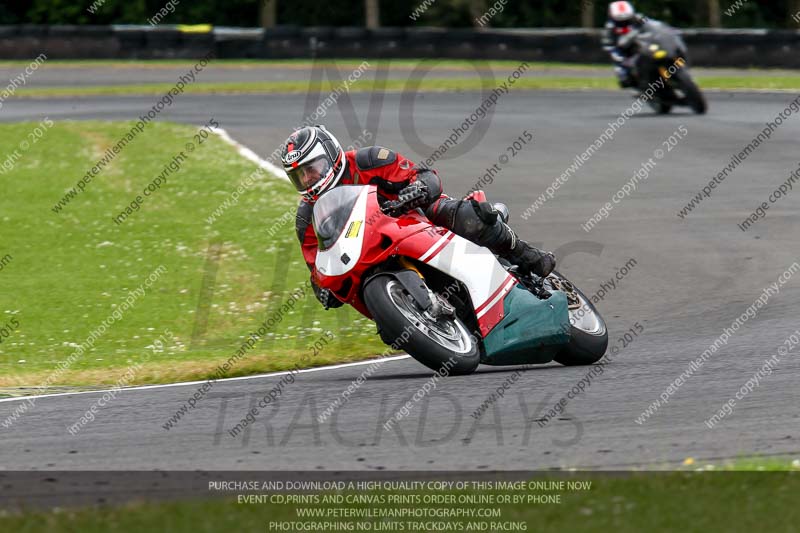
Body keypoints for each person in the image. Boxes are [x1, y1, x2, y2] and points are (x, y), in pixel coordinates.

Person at [280, 125, 556, 309]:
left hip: (414, 219)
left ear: (330, 155)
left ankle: (526, 255)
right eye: (299, 176)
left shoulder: (368, 160)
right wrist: (323, 288)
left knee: (466, 216)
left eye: (312, 169)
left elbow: (424, 176)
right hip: (368, 252)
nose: (308, 179)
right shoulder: (307, 216)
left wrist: (416, 191)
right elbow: (317, 264)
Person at [601, 1, 656, 88]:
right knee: (623, 77)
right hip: (626, 52)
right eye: (620, 21)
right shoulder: (610, 27)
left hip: (644, 44)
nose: (624, 23)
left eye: (626, 20)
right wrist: (619, 58)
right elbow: (609, 45)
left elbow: (653, 25)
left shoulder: (640, 18)